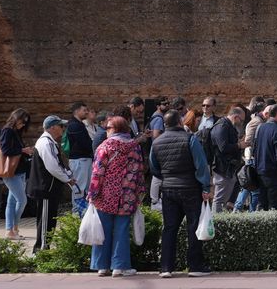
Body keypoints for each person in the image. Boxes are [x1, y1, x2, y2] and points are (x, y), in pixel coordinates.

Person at [150, 111, 212, 278]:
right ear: (180, 122)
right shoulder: (190, 139)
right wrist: (206, 186)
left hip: (168, 188)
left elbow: (154, 167)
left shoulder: (157, 142)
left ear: (165, 124)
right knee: (193, 227)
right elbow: (201, 165)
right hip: (190, 188)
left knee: (169, 228)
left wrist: (166, 177)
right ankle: (195, 266)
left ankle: (166, 267)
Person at [88, 115, 145, 277]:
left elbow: (97, 172)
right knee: (122, 229)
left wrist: (92, 193)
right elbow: (140, 171)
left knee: (103, 229)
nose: (106, 130)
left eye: (108, 128)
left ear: (116, 129)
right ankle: (120, 266)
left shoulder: (104, 147)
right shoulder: (134, 147)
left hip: (106, 194)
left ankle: (102, 266)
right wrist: (140, 192)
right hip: (128, 194)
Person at [28, 115, 77, 252]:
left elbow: (56, 165)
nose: (63, 129)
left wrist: (67, 176)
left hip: (49, 188)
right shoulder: (46, 143)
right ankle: (41, 250)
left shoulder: (50, 142)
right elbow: (52, 166)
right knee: (45, 220)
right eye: (61, 126)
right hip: (45, 189)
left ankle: (45, 247)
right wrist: (67, 179)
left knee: (50, 220)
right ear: (52, 127)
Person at [0, 109, 35, 239]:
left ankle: (10, 230)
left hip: (19, 170)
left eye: (26, 123)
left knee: (12, 202)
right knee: (22, 200)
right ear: (15, 118)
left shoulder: (16, 132)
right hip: (10, 171)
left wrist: (25, 151)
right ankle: (14, 227)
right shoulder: (7, 131)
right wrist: (23, 150)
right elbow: (5, 150)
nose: (23, 124)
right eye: (22, 121)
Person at [209, 106, 245, 212]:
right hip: (222, 168)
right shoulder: (222, 126)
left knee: (223, 199)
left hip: (227, 168)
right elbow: (223, 147)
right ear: (235, 117)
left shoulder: (227, 125)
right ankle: (217, 222)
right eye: (241, 120)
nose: (241, 123)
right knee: (219, 199)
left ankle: (221, 221)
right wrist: (239, 145)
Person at [254, 103, 277, 210]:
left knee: (262, 205)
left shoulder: (261, 128)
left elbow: (255, 150)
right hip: (274, 175)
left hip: (261, 172)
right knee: (275, 206)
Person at [65, 101, 94, 217]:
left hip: (83, 160)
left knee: (84, 188)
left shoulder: (78, 124)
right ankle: (77, 214)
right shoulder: (74, 125)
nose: (86, 112)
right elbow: (84, 143)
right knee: (79, 188)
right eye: (84, 110)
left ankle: (83, 213)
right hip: (79, 160)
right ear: (77, 111)